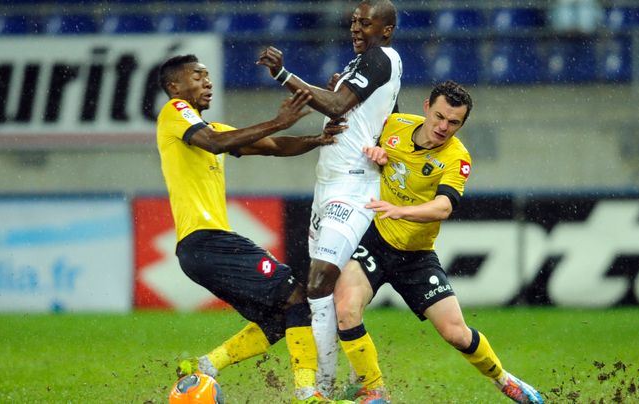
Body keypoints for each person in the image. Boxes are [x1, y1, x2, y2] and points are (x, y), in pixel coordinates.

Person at [334, 81, 545, 404]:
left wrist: (401, 210)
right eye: (440, 117)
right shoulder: (393, 125)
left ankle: (504, 381)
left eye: (454, 123)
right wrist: (373, 153)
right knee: (347, 309)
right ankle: (373, 390)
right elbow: (353, 144)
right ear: (426, 108)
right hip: (374, 240)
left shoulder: (457, 157)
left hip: (416, 256)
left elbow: (444, 207)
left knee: (456, 333)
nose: (444, 127)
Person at [156, 54, 350, 404]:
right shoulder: (175, 113)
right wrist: (278, 121)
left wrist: (316, 139)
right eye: (198, 77)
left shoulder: (214, 131)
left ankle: (204, 366)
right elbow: (217, 144)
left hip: (202, 249)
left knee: (281, 317)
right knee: (296, 293)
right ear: (175, 87)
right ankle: (307, 394)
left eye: (208, 76)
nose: (208, 83)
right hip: (207, 242)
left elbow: (273, 148)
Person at [257, 1, 401, 398]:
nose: (356, 28)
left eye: (365, 23)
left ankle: (328, 390)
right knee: (317, 289)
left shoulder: (382, 56)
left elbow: (338, 106)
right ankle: (337, 387)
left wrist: (283, 74)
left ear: (386, 30)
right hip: (328, 185)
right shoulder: (360, 65)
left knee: (320, 282)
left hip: (354, 187)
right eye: (354, 21)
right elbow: (377, 110)